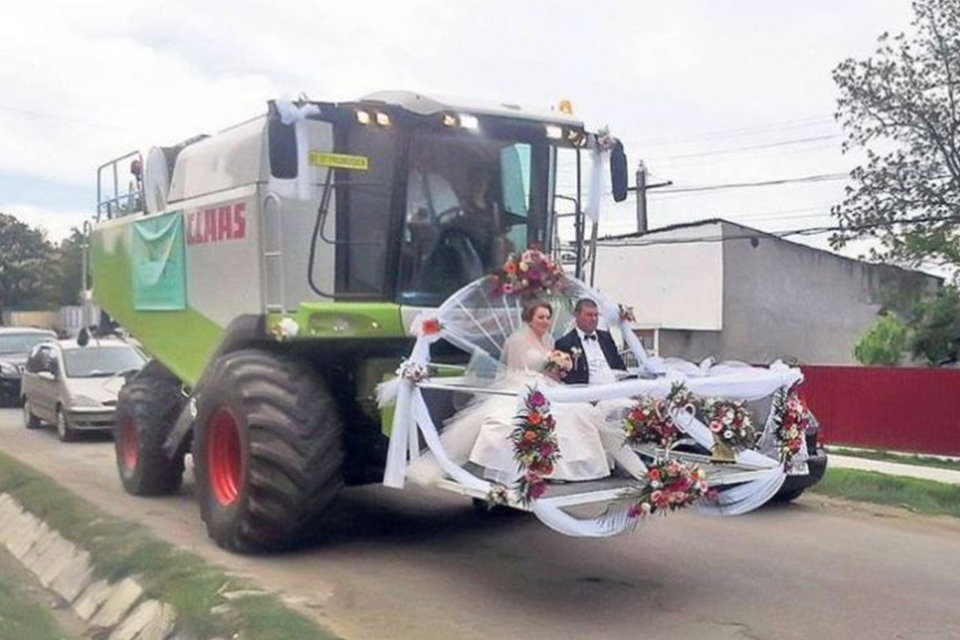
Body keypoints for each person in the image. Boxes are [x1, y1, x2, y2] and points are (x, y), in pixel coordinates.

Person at [407, 300, 611, 486]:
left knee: (576, 412)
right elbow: (514, 371)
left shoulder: (549, 341)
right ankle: (537, 470)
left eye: (548, 317)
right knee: (531, 418)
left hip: (547, 385)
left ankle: (569, 469)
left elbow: (550, 372)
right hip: (521, 385)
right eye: (540, 317)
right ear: (530, 319)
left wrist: (559, 368)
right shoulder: (517, 340)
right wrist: (539, 377)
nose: (545, 321)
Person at [554, 298, 626, 385]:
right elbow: (567, 377)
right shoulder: (565, 343)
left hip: (615, 387)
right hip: (588, 393)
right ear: (576, 315)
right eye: (589, 315)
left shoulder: (606, 338)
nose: (594, 319)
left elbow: (619, 365)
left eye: (596, 315)